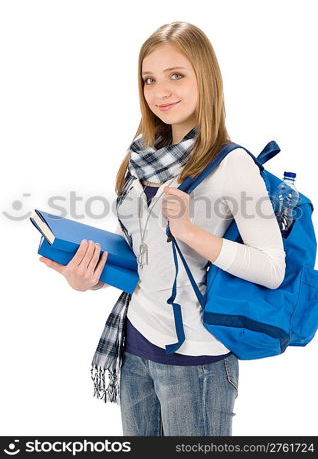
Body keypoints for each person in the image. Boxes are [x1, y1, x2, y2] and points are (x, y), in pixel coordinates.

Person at [39, 21, 286, 436]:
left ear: (204, 79)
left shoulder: (231, 164)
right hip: (133, 348)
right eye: (149, 79)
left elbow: (271, 267)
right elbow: (148, 261)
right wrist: (88, 278)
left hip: (197, 364)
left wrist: (188, 230)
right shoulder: (140, 159)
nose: (161, 92)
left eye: (176, 76)